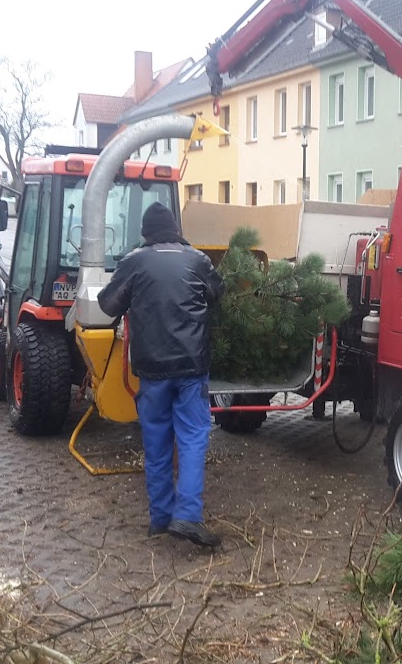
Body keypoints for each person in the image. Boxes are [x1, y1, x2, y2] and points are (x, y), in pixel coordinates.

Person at [97, 201, 225, 548]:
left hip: (151, 369)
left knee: (156, 442)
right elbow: (217, 293)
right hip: (191, 367)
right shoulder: (197, 260)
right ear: (176, 231)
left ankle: (160, 519)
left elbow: (107, 305)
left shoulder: (134, 261)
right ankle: (188, 516)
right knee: (193, 437)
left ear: (146, 234)